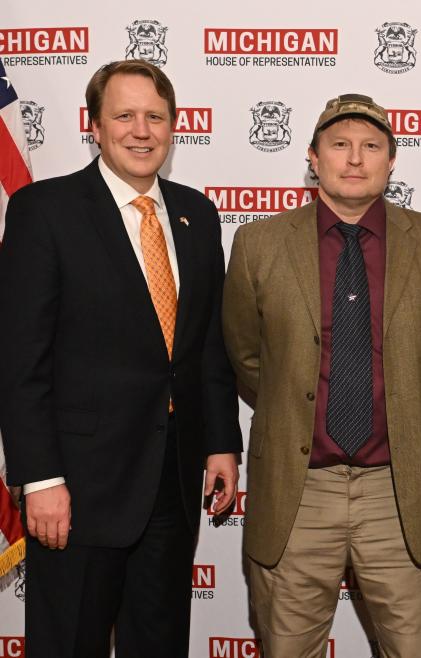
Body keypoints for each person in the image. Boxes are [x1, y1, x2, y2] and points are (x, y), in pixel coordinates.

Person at [222, 93, 421, 658]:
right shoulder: (257, 245)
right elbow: (245, 354)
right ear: (313, 158)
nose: (355, 159)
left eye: (371, 147)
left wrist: (406, 409)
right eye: (339, 145)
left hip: (400, 489)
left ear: (392, 161)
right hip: (297, 493)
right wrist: (295, 403)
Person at [0, 60, 241, 657]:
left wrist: (220, 442)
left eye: (155, 116)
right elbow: (19, 359)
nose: (142, 130)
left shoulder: (196, 213)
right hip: (77, 488)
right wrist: (41, 478)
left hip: (173, 483)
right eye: (125, 115)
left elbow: (206, 343)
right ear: (96, 127)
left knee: (158, 643)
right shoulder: (43, 210)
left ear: (173, 127)